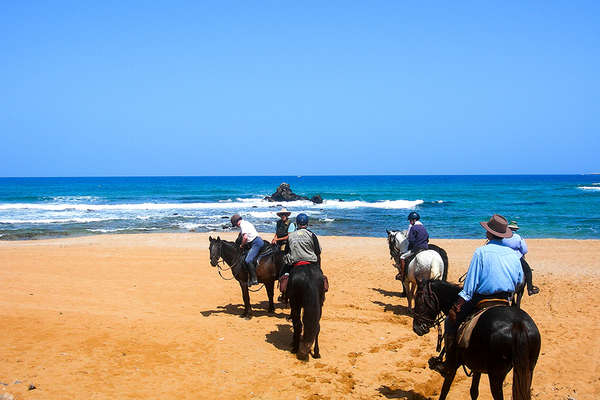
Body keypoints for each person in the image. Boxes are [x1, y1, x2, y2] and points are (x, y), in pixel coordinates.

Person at [430, 214, 523, 377]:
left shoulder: (481, 252)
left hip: (483, 300)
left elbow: (469, 287)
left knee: (450, 322)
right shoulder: (514, 255)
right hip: (506, 301)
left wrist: (457, 305)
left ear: (489, 233)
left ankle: (448, 364)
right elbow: (519, 281)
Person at [278, 213, 321, 300]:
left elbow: (287, 252)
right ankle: (321, 294)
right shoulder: (312, 235)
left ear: (297, 224)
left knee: (283, 273)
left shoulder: (291, 236)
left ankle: (283, 294)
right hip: (311, 262)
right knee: (320, 275)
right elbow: (318, 252)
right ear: (307, 223)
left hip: (295, 263)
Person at [502, 221, 539, 295]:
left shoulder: (502, 236)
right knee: (528, 271)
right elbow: (525, 250)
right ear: (515, 229)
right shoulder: (518, 237)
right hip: (516, 257)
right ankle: (530, 289)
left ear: (508, 228)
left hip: (503, 257)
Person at [231, 214, 263, 287]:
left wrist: (242, 245)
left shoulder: (243, 225)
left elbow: (245, 238)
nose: (236, 226)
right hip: (254, 242)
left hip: (256, 243)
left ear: (236, 222)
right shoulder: (246, 223)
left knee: (248, 260)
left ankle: (254, 279)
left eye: (235, 225)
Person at [398, 211, 429, 280]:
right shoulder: (423, 227)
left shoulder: (413, 228)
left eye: (410, 220)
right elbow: (427, 237)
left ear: (414, 220)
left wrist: (410, 247)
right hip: (426, 247)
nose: (409, 222)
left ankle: (402, 275)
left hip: (417, 248)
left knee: (402, 257)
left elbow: (411, 240)